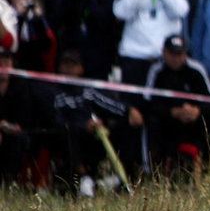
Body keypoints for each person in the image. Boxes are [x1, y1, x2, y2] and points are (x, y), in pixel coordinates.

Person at [43, 49, 140, 195]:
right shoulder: (53, 93)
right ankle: (84, 178)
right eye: (65, 65)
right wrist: (82, 125)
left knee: (125, 127)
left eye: (73, 65)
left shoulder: (87, 91)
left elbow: (110, 104)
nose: (69, 69)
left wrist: (129, 110)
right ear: (59, 67)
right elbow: (53, 119)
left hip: (94, 134)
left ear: (80, 69)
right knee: (68, 133)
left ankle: (125, 177)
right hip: (66, 136)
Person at [143, 34, 210, 177]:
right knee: (152, 122)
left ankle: (208, 169)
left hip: (194, 121)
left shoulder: (196, 69)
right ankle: (155, 172)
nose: (176, 59)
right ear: (164, 53)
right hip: (168, 122)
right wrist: (173, 112)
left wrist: (197, 110)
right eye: (172, 54)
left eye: (180, 54)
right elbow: (148, 104)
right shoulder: (157, 71)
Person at [0, 51, 43, 187]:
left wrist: (12, 126)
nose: (3, 65)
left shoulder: (20, 86)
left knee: (18, 140)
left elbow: (25, 117)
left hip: (16, 132)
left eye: (6, 61)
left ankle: (10, 182)